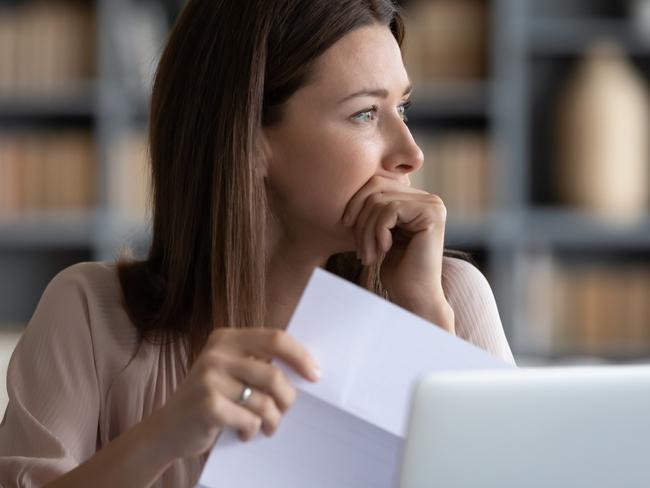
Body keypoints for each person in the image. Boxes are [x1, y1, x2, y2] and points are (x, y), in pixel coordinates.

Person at [0, 0, 515, 486]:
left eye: (402, 108)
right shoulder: (90, 314)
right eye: (365, 114)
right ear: (248, 139)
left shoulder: (451, 298)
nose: (411, 153)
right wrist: (164, 436)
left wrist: (426, 326)